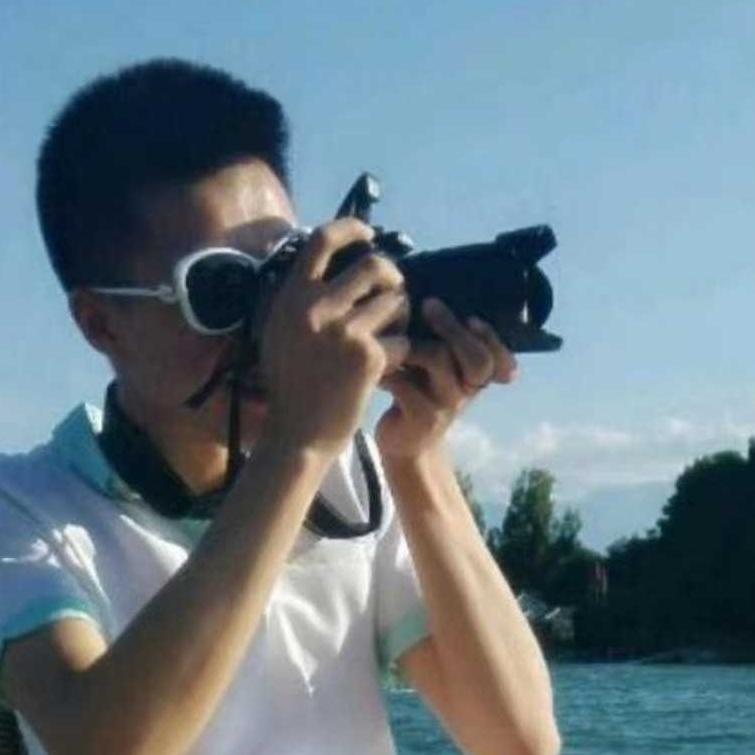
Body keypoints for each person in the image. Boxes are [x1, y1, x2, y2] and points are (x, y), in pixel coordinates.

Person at [0, 59, 560, 755]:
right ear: (100, 323)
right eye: (222, 291)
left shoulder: (353, 483)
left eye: (287, 271)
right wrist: (297, 446)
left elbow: (517, 740)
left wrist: (417, 461)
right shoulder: (25, 507)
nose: (279, 325)